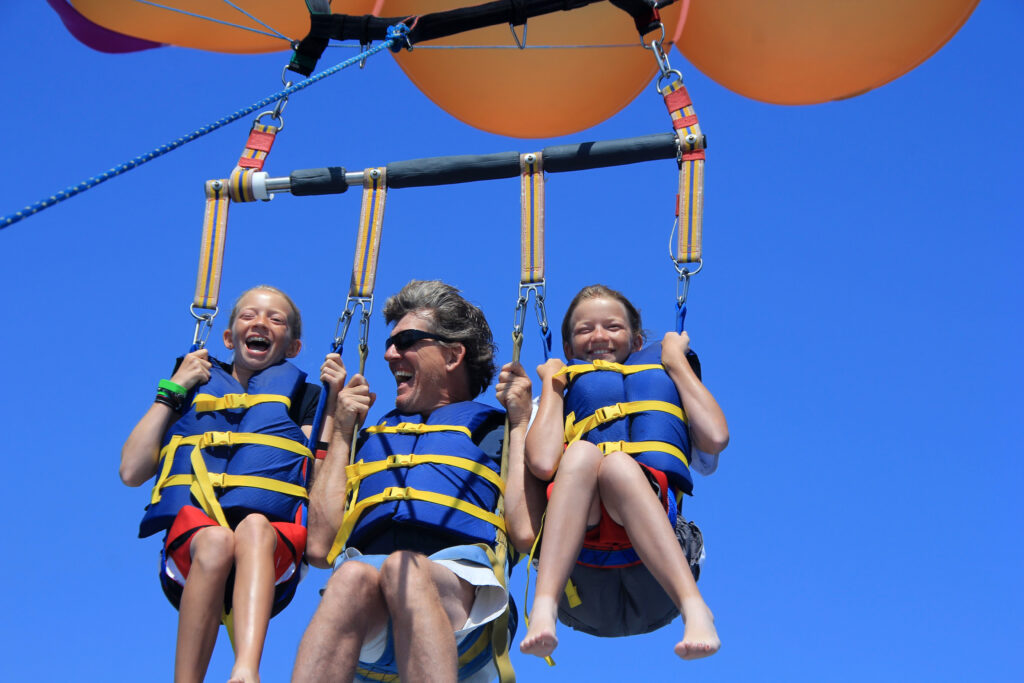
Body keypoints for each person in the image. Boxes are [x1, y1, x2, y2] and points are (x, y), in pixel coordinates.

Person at [292, 279, 543, 683]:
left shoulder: (498, 430)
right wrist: (340, 432)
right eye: (390, 344)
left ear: (452, 355)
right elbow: (321, 548)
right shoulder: (370, 436)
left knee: (403, 568)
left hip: (463, 610)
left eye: (406, 341)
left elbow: (526, 534)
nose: (390, 354)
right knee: (351, 576)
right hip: (372, 619)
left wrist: (519, 423)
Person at [121, 285, 325, 683]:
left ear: (294, 346)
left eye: (275, 318)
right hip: (191, 557)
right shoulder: (193, 385)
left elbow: (316, 476)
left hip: (272, 556)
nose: (260, 323)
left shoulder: (307, 397)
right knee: (216, 539)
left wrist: (336, 415)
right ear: (229, 338)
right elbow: (131, 471)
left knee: (252, 528)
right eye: (248, 315)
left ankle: (246, 671)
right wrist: (174, 388)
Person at [519, 284, 728, 661]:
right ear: (567, 349)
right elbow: (544, 463)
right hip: (579, 575)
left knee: (617, 465)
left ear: (637, 339)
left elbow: (714, 438)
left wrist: (677, 363)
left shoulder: (669, 387)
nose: (598, 336)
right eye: (584, 330)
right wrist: (552, 386)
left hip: (655, 575)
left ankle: (694, 608)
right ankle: (544, 605)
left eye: (612, 327)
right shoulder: (556, 396)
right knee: (581, 453)